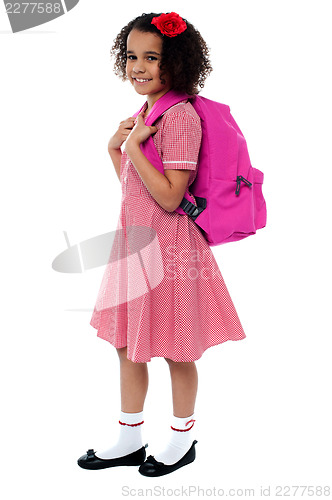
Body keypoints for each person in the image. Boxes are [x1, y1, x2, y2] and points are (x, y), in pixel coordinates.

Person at [77, 11, 246, 477]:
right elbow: (138, 191)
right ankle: (130, 436)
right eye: (132, 56)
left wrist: (132, 148)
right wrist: (117, 150)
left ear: (179, 62)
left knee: (177, 347)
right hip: (135, 244)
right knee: (127, 344)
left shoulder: (181, 117)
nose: (138, 66)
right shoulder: (145, 112)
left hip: (171, 249)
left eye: (152, 57)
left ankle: (181, 438)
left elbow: (171, 197)